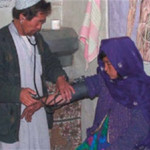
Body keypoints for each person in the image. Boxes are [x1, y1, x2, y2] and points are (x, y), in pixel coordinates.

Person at [36, 36, 150, 150]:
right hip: (99, 139)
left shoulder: (143, 92)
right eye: (104, 63)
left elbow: (135, 133)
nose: (105, 68)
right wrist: (46, 101)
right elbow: (83, 88)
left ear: (122, 62)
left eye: (109, 64)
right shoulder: (106, 80)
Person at [0, 0, 74, 149]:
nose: (39, 27)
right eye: (38, 22)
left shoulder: (37, 39)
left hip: (37, 112)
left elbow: (50, 62)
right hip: (12, 119)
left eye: (42, 22)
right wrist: (17, 93)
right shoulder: (2, 41)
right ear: (22, 16)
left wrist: (60, 78)